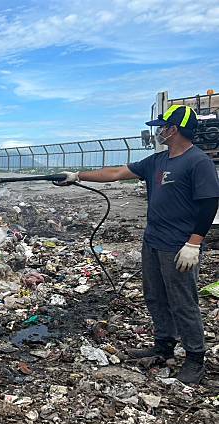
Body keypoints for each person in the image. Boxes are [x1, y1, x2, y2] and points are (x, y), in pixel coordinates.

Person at [59, 105, 219, 384]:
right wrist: (77, 176)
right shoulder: (157, 160)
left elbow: (209, 203)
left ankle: (195, 358)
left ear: (174, 129)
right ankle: (163, 346)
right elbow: (117, 173)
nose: (158, 131)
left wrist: (194, 244)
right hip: (153, 241)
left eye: (162, 126)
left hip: (178, 246)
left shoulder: (197, 162)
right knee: (155, 296)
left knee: (183, 302)